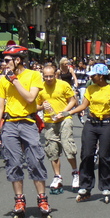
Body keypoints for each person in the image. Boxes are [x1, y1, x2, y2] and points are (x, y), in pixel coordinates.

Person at [54, 63, 110, 203]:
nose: (91, 77)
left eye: (94, 75)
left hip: (107, 125)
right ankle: (85, 186)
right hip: (91, 124)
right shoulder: (90, 88)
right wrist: (67, 112)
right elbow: (83, 105)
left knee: (104, 156)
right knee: (87, 154)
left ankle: (106, 186)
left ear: (101, 76)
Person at [0, 44, 51, 218]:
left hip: (28, 122)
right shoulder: (3, 80)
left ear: (18, 60)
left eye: (8, 60)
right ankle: (19, 200)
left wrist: (15, 80)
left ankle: (42, 198)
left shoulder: (33, 75)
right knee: (13, 162)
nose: (4, 63)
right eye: (4, 60)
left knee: (35, 160)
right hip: (10, 123)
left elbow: (31, 98)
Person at [36, 64, 80, 193]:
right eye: (46, 77)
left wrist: (64, 112)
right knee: (52, 149)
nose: (48, 79)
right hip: (50, 121)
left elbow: (72, 101)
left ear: (55, 74)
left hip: (64, 119)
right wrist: (42, 106)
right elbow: (35, 106)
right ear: (43, 76)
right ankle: (57, 176)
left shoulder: (63, 85)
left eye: (51, 76)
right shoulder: (40, 89)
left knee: (68, 146)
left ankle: (75, 173)